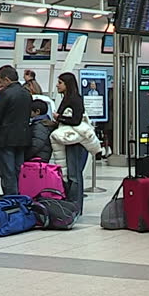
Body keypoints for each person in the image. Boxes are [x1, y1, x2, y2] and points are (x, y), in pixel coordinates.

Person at [0, 65, 32, 195]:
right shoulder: (26, 93)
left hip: (5, 139)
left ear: (7, 80)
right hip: (22, 138)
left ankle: (11, 203)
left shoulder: (6, 94)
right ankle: (20, 202)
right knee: (18, 172)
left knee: (8, 173)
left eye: (0, 81)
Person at [54, 72, 89, 211]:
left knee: (74, 175)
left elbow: (76, 120)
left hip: (76, 142)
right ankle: (72, 202)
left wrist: (59, 118)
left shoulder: (75, 99)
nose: (57, 85)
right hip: (69, 140)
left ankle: (76, 205)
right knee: (70, 174)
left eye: (60, 82)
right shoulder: (66, 98)